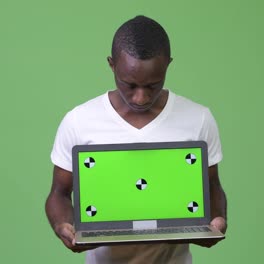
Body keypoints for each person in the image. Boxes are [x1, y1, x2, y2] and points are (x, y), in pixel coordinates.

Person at [45, 15, 227, 264]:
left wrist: (216, 221)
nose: (140, 98)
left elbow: (212, 186)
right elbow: (59, 193)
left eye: (152, 85)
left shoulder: (199, 119)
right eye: (128, 84)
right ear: (111, 65)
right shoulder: (79, 121)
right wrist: (63, 225)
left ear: (167, 65)